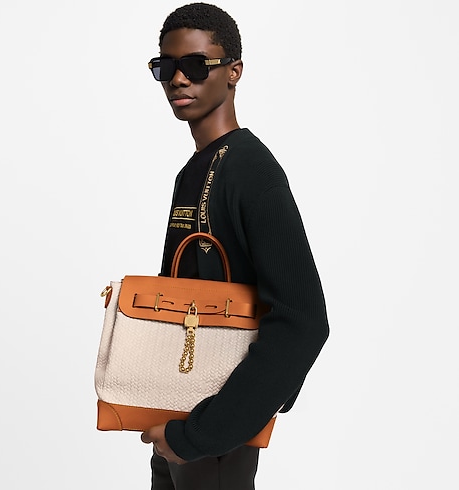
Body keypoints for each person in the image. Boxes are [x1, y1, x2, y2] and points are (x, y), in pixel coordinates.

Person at [140, 3, 329, 489]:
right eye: (166, 66)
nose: (178, 79)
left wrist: (206, 433)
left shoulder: (251, 170)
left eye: (195, 65)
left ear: (234, 72)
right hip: (177, 417)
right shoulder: (194, 170)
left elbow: (304, 321)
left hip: (214, 434)